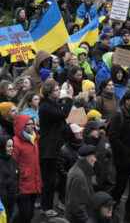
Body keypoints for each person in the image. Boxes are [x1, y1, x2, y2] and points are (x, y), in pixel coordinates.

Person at [39, 79, 73, 217]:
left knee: (57, 177)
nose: (59, 91)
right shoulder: (45, 106)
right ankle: (46, 207)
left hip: (57, 145)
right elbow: (63, 115)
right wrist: (69, 99)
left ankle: (55, 202)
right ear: (49, 92)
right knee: (49, 179)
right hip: (49, 148)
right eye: (56, 90)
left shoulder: (53, 104)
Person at [108, 90, 130, 216]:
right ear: (127, 100)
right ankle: (110, 208)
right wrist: (126, 151)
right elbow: (113, 137)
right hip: (123, 159)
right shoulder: (119, 115)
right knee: (120, 186)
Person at [12, 115, 41, 223]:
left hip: (34, 181)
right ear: (21, 125)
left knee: (30, 214)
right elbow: (13, 164)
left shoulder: (34, 138)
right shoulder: (16, 142)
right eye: (28, 124)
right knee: (26, 214)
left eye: (32, 123)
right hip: (22, 184)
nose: (32, 126)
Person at [65, 144, 97, 223]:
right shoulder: (78, 176)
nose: (95, 159)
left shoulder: (82, 170)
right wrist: (87, 220)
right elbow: (77, 206)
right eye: (94, 156)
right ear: (88, 158)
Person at [0, 135, 16, 221]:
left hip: (11, 200)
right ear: (2, 147)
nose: (11, 148)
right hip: (1, 203)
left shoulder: (12, 160)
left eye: (12, 146)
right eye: (9, 146)